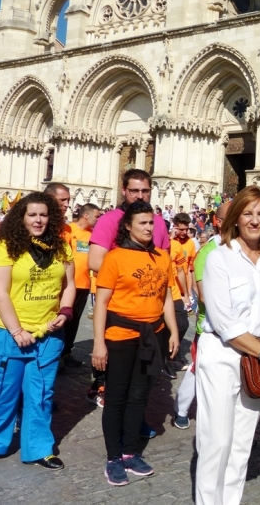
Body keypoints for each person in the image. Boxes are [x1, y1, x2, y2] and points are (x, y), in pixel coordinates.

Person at [195, 187, 260, 505]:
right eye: (247, 213)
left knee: (241, 444)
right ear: (235, 219)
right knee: (216, 441)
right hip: (223, 356)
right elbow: (226, 324)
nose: (254, 220)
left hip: (258, 362)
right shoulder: (219, 259)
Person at [91, 202, 180, 486]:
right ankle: (113, 458)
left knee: (140, 396)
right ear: (128, 226)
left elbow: (165, 297)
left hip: (152, 336)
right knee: (116, 398)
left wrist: (174, 332)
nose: (148, 228)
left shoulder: (162, 257)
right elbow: (101, 303)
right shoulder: (115, 258)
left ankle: (130, 452)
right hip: (119, 336)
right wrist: (98, 344)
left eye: (151, 223)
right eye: (142, 223)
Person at [0, 192, 75, 470]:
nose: (38, 220)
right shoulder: (7, 247)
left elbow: (70, 285)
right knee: (4, 391)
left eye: (43, 215)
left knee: (41, 393)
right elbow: (0, 292)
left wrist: (65, 312)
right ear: (22, 218)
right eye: (32, 214)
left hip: (48, 333)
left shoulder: (61, 247)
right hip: (10, 333)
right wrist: (17, 331)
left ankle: (39, 448)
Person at [87, 169, 170, 430]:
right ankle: (114, 418)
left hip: (150, 310)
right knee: (119, 377)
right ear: (123, 190)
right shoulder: (110, 220)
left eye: (144, 191)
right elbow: (94, 260)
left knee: (144, 378)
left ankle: (136, 421)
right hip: (118, 305)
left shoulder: (156, 222)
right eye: (134, 190)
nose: (139, 195)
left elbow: (162, 266)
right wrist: (128, 272)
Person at [172, 201, 230, 430]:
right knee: (199, 368)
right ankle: (182, 408)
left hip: (236, 326)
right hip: (209, 326)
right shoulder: (208, 252)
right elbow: (203, 294)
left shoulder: (242, 249)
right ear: (218, 222)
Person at [61, 203, 101, 368]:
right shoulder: (69, 230)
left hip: (84, 283)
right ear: (87, 215)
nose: (98, 219)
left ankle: (67, 352)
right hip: (69, 284)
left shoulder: (92, 234)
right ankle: (59, 354)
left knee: (75, 319)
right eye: (97, 216)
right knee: (64, 319)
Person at [165, 213, 195, 375]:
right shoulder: (167, 243)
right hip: (164, 292)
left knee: (182, 324)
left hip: (177, 292)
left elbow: (186, 270)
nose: (183, 232)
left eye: (186, 229)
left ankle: (171, 356)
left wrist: (187, 292)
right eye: (180, 229)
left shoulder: (189, 244)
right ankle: (167, 359)